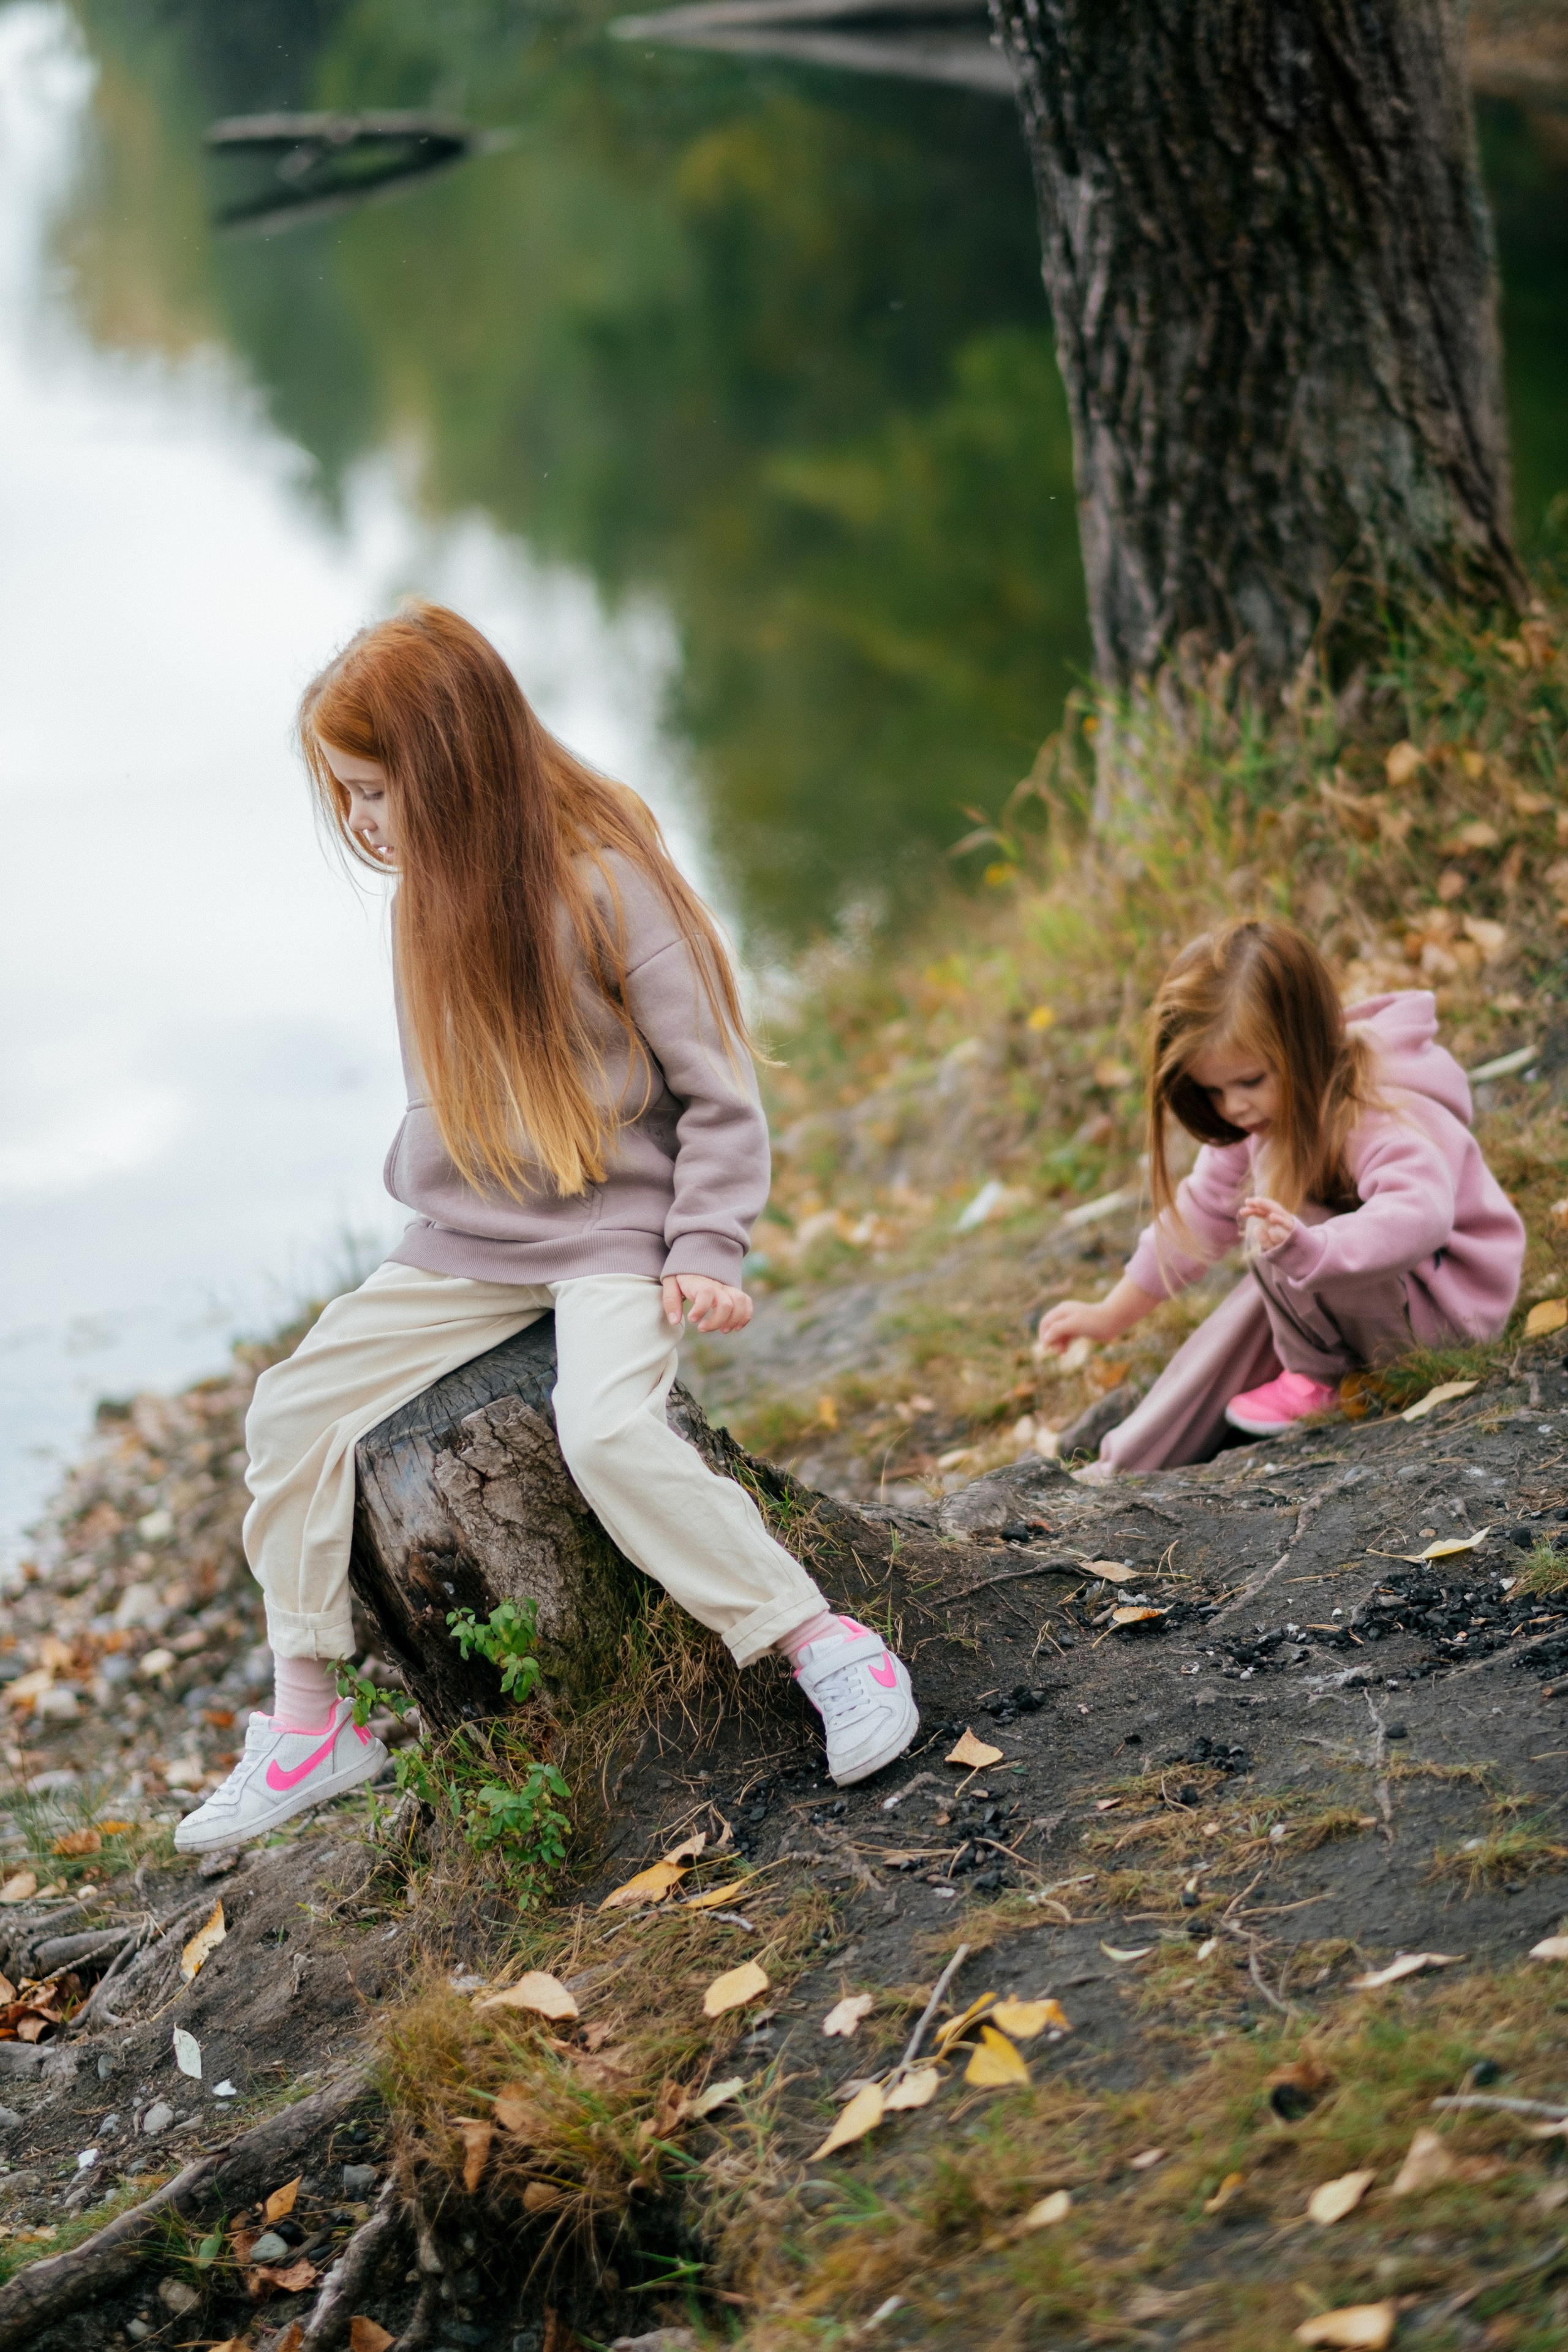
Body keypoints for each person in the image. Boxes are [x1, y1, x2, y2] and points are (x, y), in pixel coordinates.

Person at [175, 603, 917, 1855]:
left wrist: (707, 1246)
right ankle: (314, 1722)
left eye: (373, 790)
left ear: (450, 766)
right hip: (469, 1242)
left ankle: (820, 1642)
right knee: (290, 1410)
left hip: (617, 1230)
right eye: (341, 797)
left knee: (610, 1432)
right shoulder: (433, 897)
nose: (360, 824)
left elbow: (719, 1093)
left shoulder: (604, 884)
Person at [1036, 919, 1524, 1476]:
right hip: (1361, 1290)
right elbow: (1198, 1216)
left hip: (1444, 1314)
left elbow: (1420, 1214)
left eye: (1249, 1081)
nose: (1234, 1107)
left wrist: (1313, 1249)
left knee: (1275, 1235)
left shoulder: (1374, 1105)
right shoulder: (1262, 1120)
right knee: (1239, 1316)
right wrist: (1109, 1315)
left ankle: (1320, 1379)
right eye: (1214, 1091)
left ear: (1304, 1044)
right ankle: (1121, 1468)